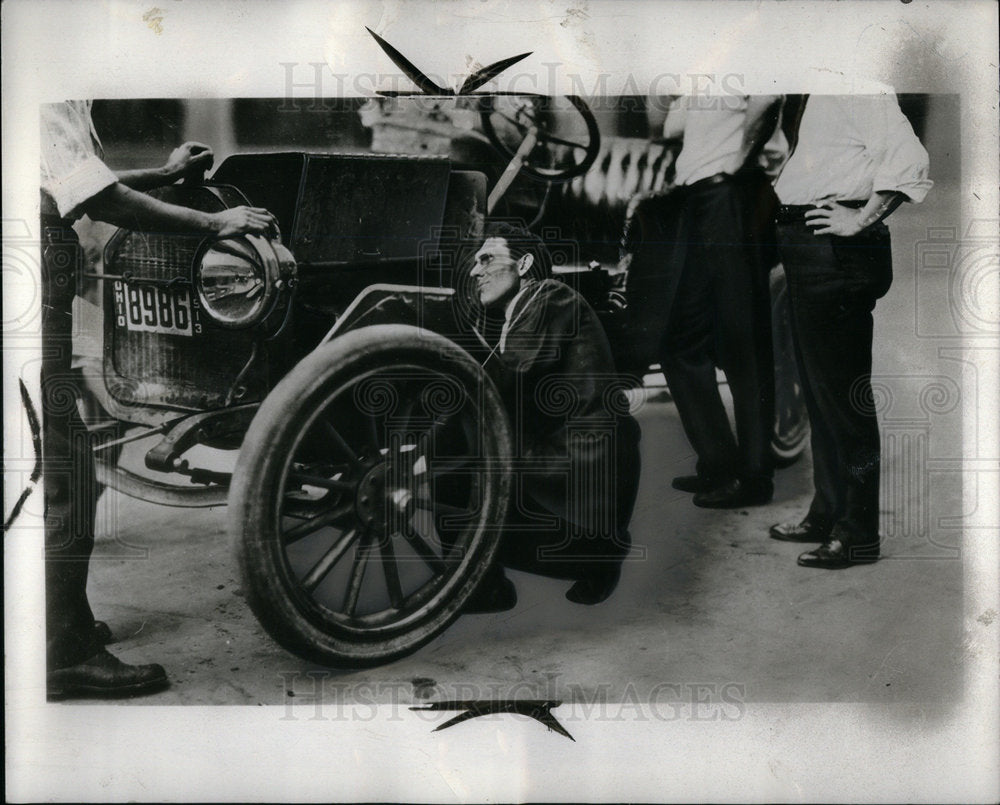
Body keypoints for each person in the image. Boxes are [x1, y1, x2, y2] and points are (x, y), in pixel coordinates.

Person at [40, 100, 278, 698]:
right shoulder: (45, 88)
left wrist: (167, 177)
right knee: (63, 471)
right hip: (30, 272)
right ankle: (64, 651)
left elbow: (77, 183)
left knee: (51, 462)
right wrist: (214, 224)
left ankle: (52, 623)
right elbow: (100, 201)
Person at [769, 93, 932, 568]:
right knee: (821, 399)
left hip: (835, 257)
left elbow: (909, 159)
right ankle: (827, 512)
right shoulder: (811, 88)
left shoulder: (856, 84)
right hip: (809, 250)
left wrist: (859, 220)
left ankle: (858, 532)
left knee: (844, 402)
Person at [462, 222, 641, 609]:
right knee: (470, 438)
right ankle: (490, 577)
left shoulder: (549, 296)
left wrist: (419, 451)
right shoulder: (524, 310)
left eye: (487, 259)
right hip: (570, 479)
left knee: (465, 443)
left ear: (524, 264)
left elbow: (501, 387)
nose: (475, 271)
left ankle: (485, 584)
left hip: (580, 485)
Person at [655, 94, 784, 509]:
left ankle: (754, 478)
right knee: (679, 340)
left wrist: (738, 159)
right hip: (695, 197)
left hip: (729, 194)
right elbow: (672, 128)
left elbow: (769, 97)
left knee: (744, 339)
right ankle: (719, 464)